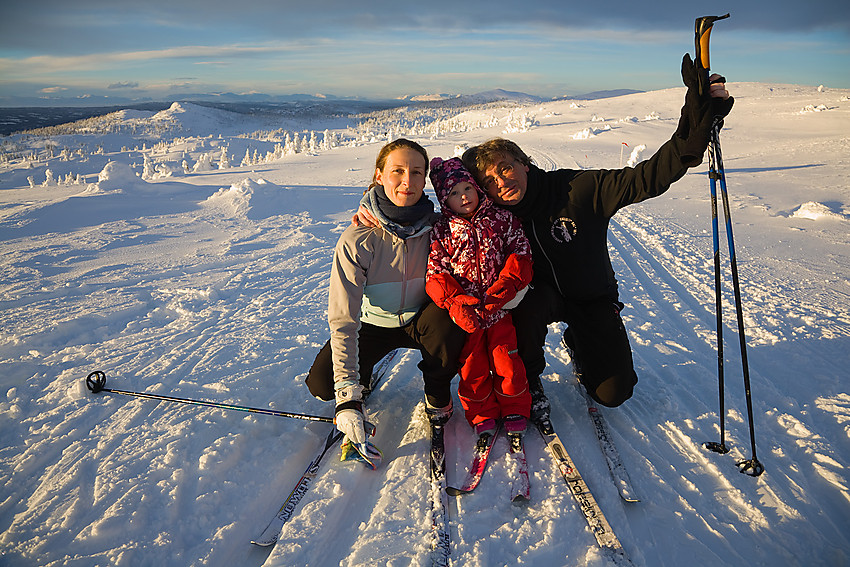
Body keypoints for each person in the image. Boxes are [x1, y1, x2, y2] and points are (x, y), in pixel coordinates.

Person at [458, 55, 735, 423]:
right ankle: (529, 377)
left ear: (524, 163)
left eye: (505, 168)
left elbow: (649, 176)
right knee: (522, 305)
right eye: (489, 182)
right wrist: (377, 212)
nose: (501, 182)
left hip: (591, 297)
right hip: (539, 299)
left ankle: (580, 346)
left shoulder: (580, 189)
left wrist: (696, 118)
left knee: (613, 393)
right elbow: (447, 222)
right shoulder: (494, 215)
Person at [306, 139, 466, 457]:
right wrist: (348, 396)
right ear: (379, 175)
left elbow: (483, 224)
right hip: (372, 324)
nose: (408, 181)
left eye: (417, 172)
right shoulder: (359, 238)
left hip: (422, 321)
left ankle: (437, 393)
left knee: (447, 322)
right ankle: (360, 380)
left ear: (425, 179)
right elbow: (343, 319)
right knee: (323, 385)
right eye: (398, 171)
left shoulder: (441, 229)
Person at [425, 157, 533, 440]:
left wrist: (509, 283)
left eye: (467, 189)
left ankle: (515, 407)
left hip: (499, 310)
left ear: (476, 188)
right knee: (472, 366)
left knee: (507, 361)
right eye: (453, 193)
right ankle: (481, 412)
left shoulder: (501, 219)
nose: (463, 197)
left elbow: (520, 251)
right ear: (444, 199)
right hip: (468, 316)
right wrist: (453, 302)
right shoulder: (443, 230)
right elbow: (436, 272)